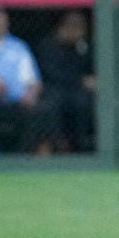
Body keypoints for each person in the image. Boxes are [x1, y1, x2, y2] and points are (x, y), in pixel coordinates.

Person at [0, 5, 55, 154]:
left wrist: (30, 95)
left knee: (43, 110)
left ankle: (22, 158)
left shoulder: (18, 47)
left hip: (12, 102)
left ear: (6, 21)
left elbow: (33, 81)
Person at [35, 8, 96, 153]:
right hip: (53, 89)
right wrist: (80, 80)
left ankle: (79, 148)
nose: (77, 30)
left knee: (82, 103)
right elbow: (51, 74)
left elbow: (91, 72)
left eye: (80, 26)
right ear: (61, 27)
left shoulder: (84, 47)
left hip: (77, 93)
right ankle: (52, 146)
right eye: (73, 25)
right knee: (52, 104)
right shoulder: (47, 46)